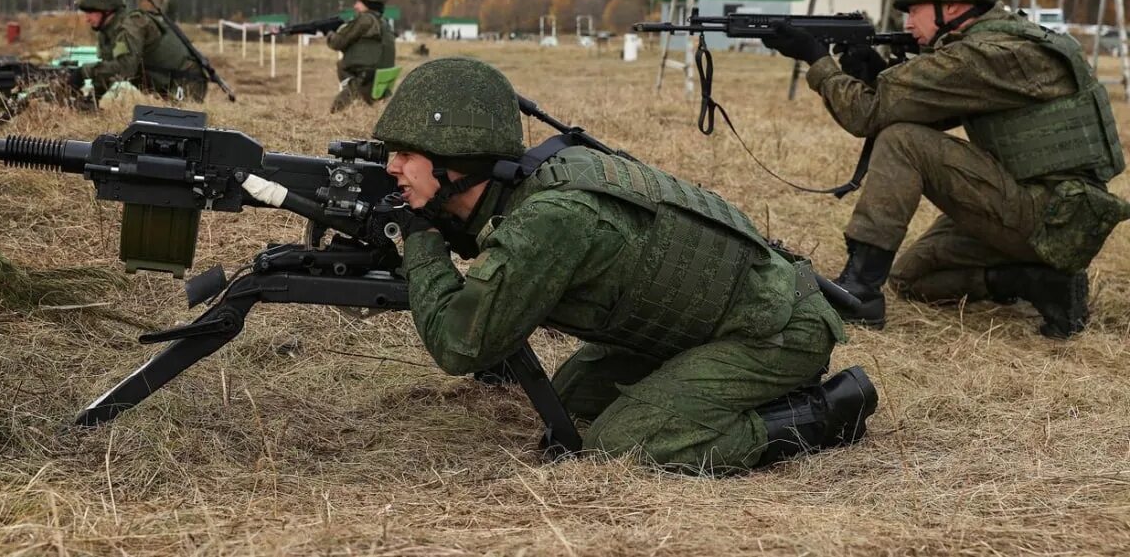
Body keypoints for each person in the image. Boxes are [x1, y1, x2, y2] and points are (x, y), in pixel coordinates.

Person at [370, 57, 877, 474]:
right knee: (568, 403)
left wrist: (420, 241)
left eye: (407, 154)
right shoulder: (533, 188)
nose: (392, 167)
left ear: (455, 159)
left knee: (622, 444)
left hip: (776, 330)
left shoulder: (551, 218)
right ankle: (713, 390)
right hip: (711, 324)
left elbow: (462, 345)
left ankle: (821, 411)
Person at [763, 0, 1130, 338]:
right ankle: (1035, 282)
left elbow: (866, 116)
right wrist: (878, 74)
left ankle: (860, 290)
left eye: (914, 11)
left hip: (1048, 217)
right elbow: (925, 108)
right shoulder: (1009, 44)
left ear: (952, 7)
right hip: (1056, 213)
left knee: (902, 141)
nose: (908, 23)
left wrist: (816, 60)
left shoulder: (982, 56)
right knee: (911, 278)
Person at [71, 0, 208, 102]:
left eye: (90, 11)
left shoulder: (132, 25)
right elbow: (109, 70)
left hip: (185, 82)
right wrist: (92, 99)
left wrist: (84, 72)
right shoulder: (107, 31)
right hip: (167, 85)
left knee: (175, 123)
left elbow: (125, 68)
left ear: (106, 9)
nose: (87, 18)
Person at [327, 0, 396, 113]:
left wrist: (330, 34)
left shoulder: (366, 20)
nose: (355, 6)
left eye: (359, 2)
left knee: (335, 112)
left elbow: (338, 43)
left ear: (369, 2)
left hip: (365, 80)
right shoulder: (384, 23)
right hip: (379, 78)